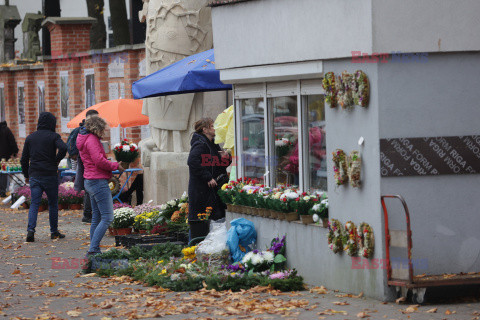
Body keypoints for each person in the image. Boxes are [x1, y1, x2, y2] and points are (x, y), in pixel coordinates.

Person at [76, 116, 126, 256]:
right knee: (107, 217)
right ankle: (93, 249)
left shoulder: (84, 138)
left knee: (97, 218)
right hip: (98, 181)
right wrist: (116, 165)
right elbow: (99, 161)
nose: (104, 132)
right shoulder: (91, 140)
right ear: (96, 128)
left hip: (90, 180)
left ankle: (94, 248)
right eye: (103, 129)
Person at [21, 112, 67, 242]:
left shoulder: (30, 138)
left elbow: (24, 159)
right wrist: (56, 160)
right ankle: (54, 232)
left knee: (34, 203)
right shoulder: (54, 136)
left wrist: (26, 175)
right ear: (52, 123)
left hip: (35, 174)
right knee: (53, 203)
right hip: (50, 175)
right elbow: (63, 148)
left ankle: (30, 231)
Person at [187, 117, 231, 241]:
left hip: (212, 190)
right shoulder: (200, 143)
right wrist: (207, 177)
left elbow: (218, 165)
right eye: (212, 126)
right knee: (201, 222)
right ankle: (195, 247)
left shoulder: (212, 143)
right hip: (202, 190)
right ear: (205, 129)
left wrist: (226, 158)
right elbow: (192, 161)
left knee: (214, 219)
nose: (215, 128)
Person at [66, 109, 99, 223]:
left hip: (83, 163)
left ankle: (88, 214)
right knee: (90, 189)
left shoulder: (82, 131)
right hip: (87, 164)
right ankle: (88, 214)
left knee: (88, 189)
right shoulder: (86, 132)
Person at [0, 121, 19, 197]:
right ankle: (2, 191)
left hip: (4, 155)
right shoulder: (6, 130)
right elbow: (12, 141)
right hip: (5, 156)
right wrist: (14, 151)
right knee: (3, 173)